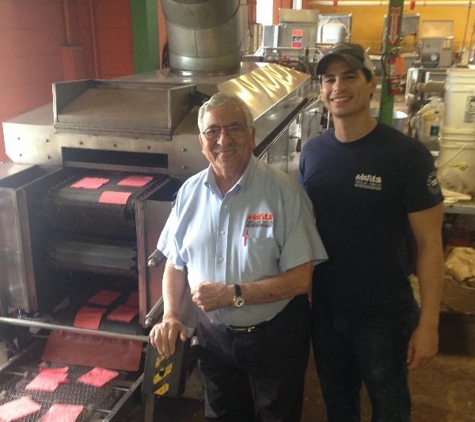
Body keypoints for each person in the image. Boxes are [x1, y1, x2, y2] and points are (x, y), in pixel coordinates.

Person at [149, 92, 327, 422]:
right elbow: (175, 263)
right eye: (213, 131)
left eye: (234, 128)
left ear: (252, 135)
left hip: (275, 336)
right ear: (201, 141)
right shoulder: (189, 193)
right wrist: (172, 314)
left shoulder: (284, 192)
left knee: (278, 415)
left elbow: (302, 279)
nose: (223, 140)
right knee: (223, 415)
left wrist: (234, 296)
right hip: (214, 338)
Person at [299, 42, 445, 422]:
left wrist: (429, 323)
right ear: (321, 90)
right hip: (327, 311)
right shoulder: (313, 153)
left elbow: (430, 244)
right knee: (338, 404)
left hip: (383, 315)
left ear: (371, 83)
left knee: (390, 405)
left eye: (349, 76)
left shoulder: (406, 156)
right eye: (329, 79)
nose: (338, 86)